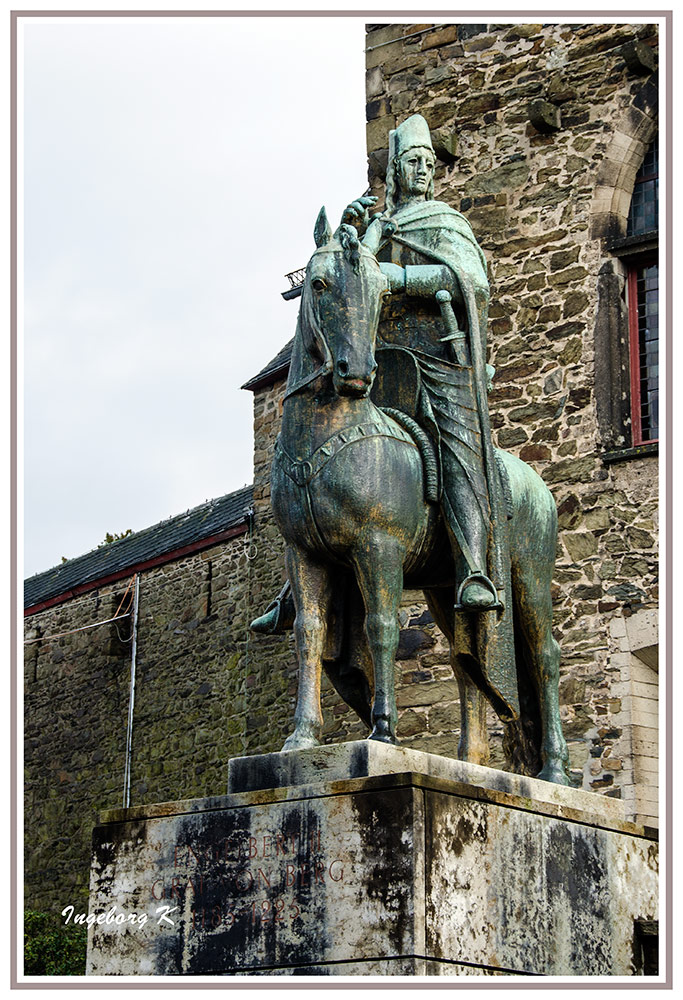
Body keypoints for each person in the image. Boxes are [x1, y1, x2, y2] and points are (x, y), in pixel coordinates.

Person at [252, 113, 505, 634]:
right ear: (394, 170)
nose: (421, 172)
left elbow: (471, 281)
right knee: (317, 444)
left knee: (458, 440)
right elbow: (347, 281)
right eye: (412, 162)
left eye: (428, 164)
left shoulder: (444, 222)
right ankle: (294, 590)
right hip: (377, 359)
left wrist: (401, 276)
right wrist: (352, 235)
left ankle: (474, 568)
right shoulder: (379, 225)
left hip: (434, 357)